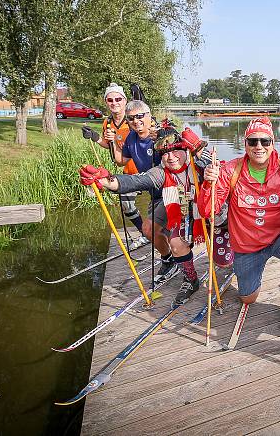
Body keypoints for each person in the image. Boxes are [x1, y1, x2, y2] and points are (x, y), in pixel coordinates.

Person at [80, 126, 221, 305]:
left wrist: (200, 149)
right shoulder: (161, 171)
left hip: (204, 205)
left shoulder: (196, 159)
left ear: (184, 147)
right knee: (175, 243)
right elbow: (137, 180)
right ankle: (190, 279)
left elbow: (218, 167)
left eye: (174, 150)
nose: (170, 157)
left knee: (223, 260)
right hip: (178, 205)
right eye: (164, 153)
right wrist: (106, 180)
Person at [197, 117, 280, 331]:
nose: (259, 146)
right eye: (253, 142)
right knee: (248, 298)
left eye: (264, 141)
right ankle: (248, 274)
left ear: (273, 142)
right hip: (247, 245)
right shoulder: (230, 170)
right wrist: (207, 183)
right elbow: (207, 211)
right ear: (245, 144)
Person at [91, 83, 147, 250]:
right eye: (110, 99)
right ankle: (145, 233)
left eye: (118, 99)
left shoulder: (133, 119)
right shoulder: (107, 122)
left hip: (145, 168)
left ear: (125, 101)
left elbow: (143, 137)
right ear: (106, 102)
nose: (114, 102)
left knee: (159, 207)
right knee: (127, 206)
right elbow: (110, 146)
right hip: (127, 170)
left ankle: (162, 238)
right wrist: (96, 138)